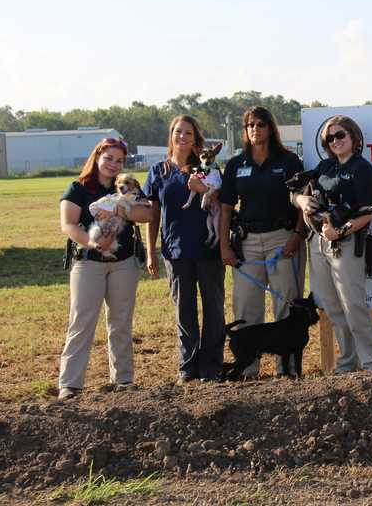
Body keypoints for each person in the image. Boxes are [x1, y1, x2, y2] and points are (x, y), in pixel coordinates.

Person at [58, 137, 154, 399]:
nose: (113, 164)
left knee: (121, 322)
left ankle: (123, 380)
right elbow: (68, 224)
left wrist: (120, 212)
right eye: (109, 158)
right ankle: (70, 384)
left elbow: (147, 215)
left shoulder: (126, 186)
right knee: (82, 321)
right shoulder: (78, 188)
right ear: (97, 157)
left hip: (123, 262)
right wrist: (92, 243)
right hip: (88, 262)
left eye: (119, 160)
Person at [293, 115, 372, 373]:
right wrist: (302, 201)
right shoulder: (324, 167)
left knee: (353, 305)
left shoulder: (362, 168)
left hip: (348, 243)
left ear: (354, 138)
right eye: (330, 138)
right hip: (319, 243)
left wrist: (340, 230)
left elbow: (368, 212)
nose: (335, 141)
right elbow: (295, 190)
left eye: (340, 135)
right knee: (332, 306)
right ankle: (347, 363)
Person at [219, 106, 306, 378]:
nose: (255, 129)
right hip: (247, 244)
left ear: (270, 128)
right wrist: (224, 245)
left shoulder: (289, 162)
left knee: (287, 305)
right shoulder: (236, 165)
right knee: (246, 306)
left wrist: (297, 235)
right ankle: (248, 369)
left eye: (260, 124)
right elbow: (225, 207)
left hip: (283, 239)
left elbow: (304, 202)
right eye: (250, 125)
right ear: (245, 130)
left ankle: (287, 369)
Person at [144, 115, 226, 383]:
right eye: (178, 132)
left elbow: (222, 204)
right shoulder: (158, 171)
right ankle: (188, 367)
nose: (182, 136)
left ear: (195, 140)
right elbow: (153, 214)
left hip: (207, 250)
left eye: (188, 133)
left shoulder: (207, 168)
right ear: (171, 135)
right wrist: (150, 251)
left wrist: (202, 188)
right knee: (184, 311)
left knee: (213, 309)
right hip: (175, 251)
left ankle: (211, 367)